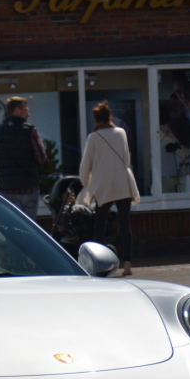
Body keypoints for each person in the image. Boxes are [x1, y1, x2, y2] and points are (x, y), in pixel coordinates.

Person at [80, 101, 141, 276]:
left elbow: (86, 165)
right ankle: (127, 263)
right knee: (124, 224)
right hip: (122, 182)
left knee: (100, 224)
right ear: (110, 117)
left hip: (103, 184)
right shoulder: (121, 133)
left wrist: (86, 183)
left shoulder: (93, 138)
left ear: (95, 119)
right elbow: (126, 159)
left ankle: (99, 263)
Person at [0, 96, 48, 219]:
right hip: (29, 188)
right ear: (17, 111)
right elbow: (41, 158)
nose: (29, 114)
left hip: (7, 189)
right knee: (31, 228)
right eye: (26, 110)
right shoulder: (30, 130)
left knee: (12, 226)